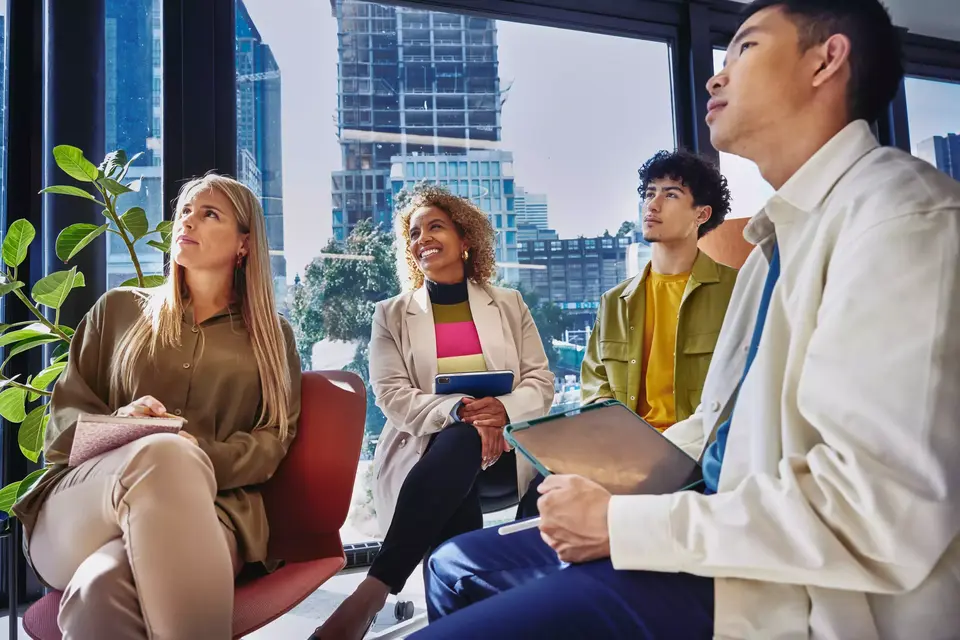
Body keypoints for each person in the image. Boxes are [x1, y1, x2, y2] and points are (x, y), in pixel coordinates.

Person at [411, 1, 960, 638]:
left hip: (783, 587)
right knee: (455, 565)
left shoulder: (903, 221)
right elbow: (716, 425)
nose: (713, 78)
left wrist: (623, 523)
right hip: (698, 505)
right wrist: (612, 483)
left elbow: (879, 514)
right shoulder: (773, 250)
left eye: (746, 50)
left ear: (825, 60)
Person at [12, 174, 301, 639]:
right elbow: (62, 426)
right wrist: (122, 424)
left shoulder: (271, 338)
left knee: (100, 591)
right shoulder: (118, 310)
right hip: (83, 510)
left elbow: (273, 439)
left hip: (212, 514)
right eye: (185, 209)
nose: (188, 220)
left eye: (209, 214)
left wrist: (197, 453)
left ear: (244, 244)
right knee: (163, 454)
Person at [311, 186, 553, 639]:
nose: (422, 238)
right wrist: (459, 412)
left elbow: (540, 382)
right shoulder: (392, 314)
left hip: (506, 452)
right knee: (457, 450)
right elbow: (392, 396)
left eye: (435, 226)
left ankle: (373, 591)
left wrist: (499, 411)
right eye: (415, 232)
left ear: (465, 240)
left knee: (463, 449)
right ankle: (457, 626)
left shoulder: (509, 304)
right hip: (429, 455)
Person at [581, 150, 737, 431]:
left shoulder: (737, 291)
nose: (652, 205)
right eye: (650, 193)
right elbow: (594, 388)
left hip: (705, 453)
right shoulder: (615, 301)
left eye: (671, 194)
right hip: (627, 449)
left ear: (701, 214)